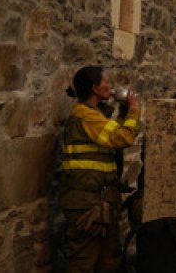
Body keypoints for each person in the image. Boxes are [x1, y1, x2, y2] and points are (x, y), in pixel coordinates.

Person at [59, 65, 142, 273]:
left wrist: (124, 113)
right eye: (106, 82)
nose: (110, 86)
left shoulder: (95, 116)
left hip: (100, 201)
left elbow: (114, 136)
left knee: (108, 262)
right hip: (86, 204)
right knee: (83, 262)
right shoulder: (85, 115)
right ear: (95, 88)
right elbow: (123, 137)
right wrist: (134, 110)